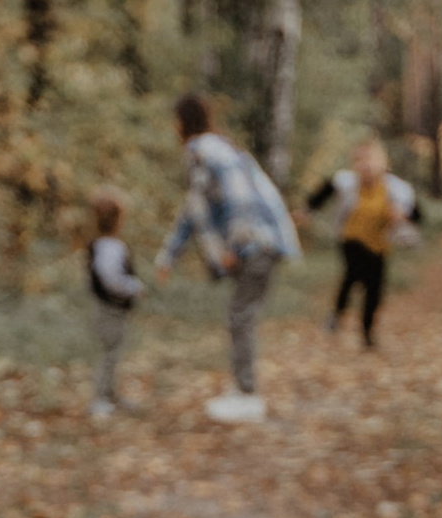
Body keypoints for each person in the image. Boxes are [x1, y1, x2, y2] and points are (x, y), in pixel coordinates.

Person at [154, 91, 300, 423]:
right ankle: (242, 390)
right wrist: (169, 255)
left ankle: (248, 396)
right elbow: (193, 213)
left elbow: (241, 199)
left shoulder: (204, 151)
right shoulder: (212, 149)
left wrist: (235, 246)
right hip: (259, 242)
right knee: (239, 317)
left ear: (181, 122)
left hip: (255, 244)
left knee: (241, 317)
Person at [306, 137, 422, 346]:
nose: (365, 165)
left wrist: (402, 216)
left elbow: (418, 215)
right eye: (359, 160)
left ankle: (367, 332)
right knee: (353, 274)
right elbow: (322, 194)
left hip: (379, 244)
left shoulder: (396, 188)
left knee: (374, 288)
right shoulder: (347, 181)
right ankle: (337, 314)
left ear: (382, 162)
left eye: (369, 160)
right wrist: (307, 210)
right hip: (351, 238)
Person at [86, 189, 141, 418]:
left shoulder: (100, 245)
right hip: (111, 307)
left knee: (112, 352)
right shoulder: (111, 247)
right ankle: (100, 398)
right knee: (109, 353)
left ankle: (109, 394)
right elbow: (111, 278)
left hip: (107, 306)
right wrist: (134, 288)